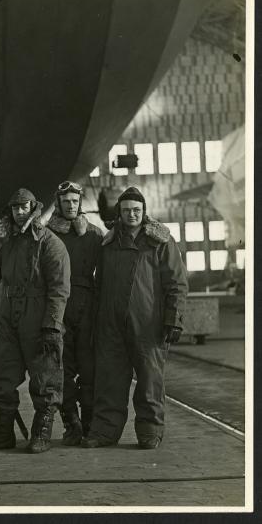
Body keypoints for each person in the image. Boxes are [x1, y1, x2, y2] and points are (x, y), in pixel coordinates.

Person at [82, 186, 188, 450]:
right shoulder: (108, 244)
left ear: (144, 212)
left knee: (150, 380)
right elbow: (99, 285)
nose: (132, 215)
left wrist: (174, 319)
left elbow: (176, 283)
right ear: (119, 212)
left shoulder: (160, 242)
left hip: (148, 325)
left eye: (136, 210)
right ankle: (105, 432)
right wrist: (96, 323)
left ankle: (150, 432)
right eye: (127, 210)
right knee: (109, 380)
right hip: (111, 325)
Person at [0, 188, 70, 454]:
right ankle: (2, 433)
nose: (19, 213)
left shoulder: (50, 243)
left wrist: (52, 325)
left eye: (24, 207)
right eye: (15, 208)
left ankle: (41, 433)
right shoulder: (10, 245)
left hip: (38, 317)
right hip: (9, 318)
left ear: (34, 208)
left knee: (45, 378)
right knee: (1, 375)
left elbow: (59, 289)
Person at [45, 181, 102, 445]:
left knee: (89, 368)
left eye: (75, 201)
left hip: (87, 306)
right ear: (58, 203)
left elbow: (104, 274)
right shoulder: (48, 235)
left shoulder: (93, 235)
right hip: (59, 307)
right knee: (62, 369)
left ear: (81, 204)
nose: (71, 205)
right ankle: (72, 424)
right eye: (66, 201)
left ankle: (90, 423)